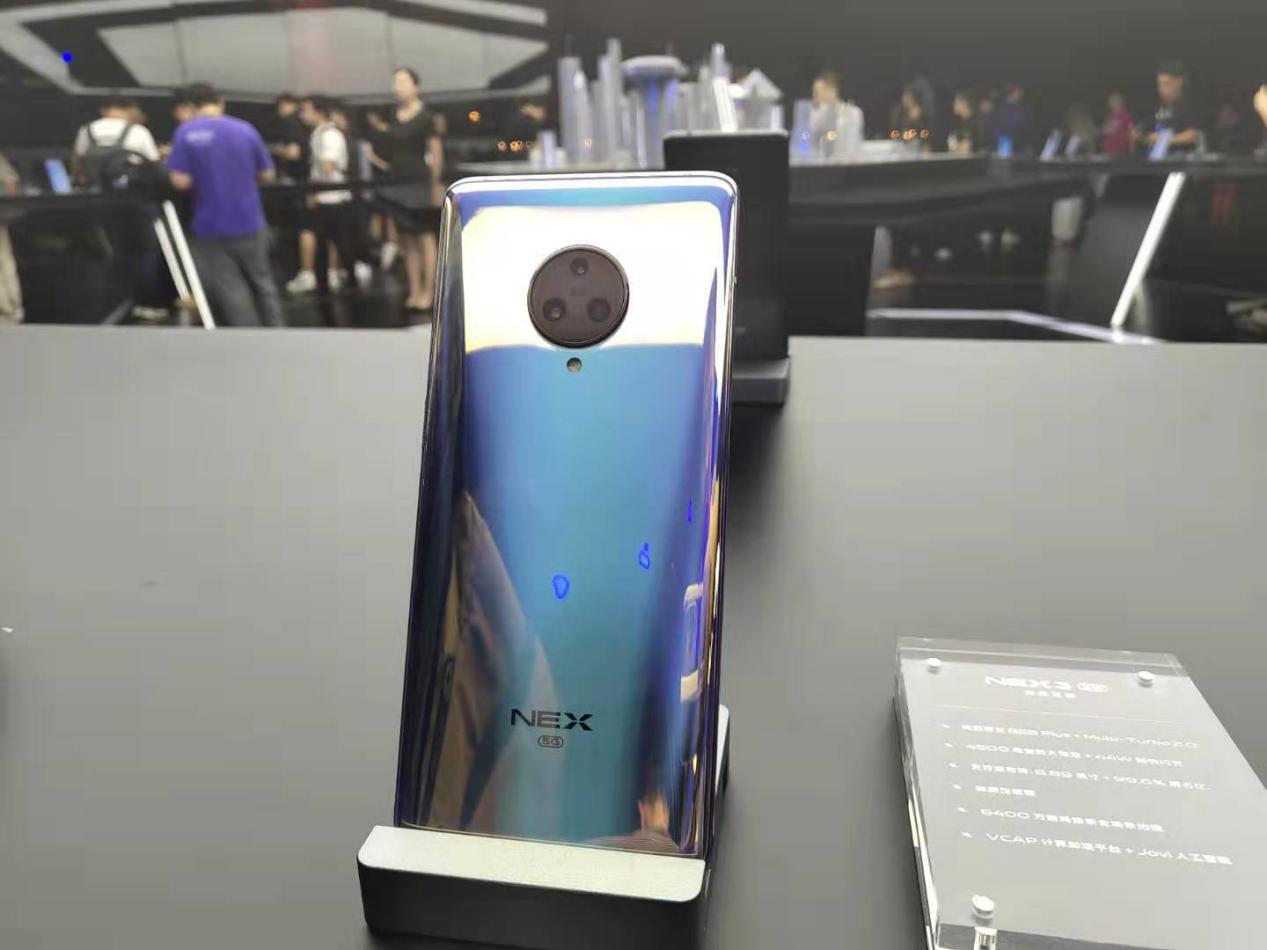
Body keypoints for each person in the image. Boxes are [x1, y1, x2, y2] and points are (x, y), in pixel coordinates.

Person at [167, 82, 283, 328]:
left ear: (190, 106)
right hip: (250, 220)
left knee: (231, 287)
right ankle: (278, 332)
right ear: (220, 102)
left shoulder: (186, 133)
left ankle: (248, 339)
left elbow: (180, 181)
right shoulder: (246, 130)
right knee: (263, 282)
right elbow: (268, 174)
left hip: (210, 224)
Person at [73, 96, 167, 319]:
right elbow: (153, 165)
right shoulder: (138, 132)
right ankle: (146, 302)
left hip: (101, 202)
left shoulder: (87, 131)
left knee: (113, 250)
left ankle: (112, 299)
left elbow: (78, 165)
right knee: (146, 250)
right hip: (136, 200)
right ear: (130, 109)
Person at [374, 67, 444, 315]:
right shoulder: (393, 115)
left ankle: (430, 290)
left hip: (419, 181)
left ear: (416, 86)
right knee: (407, 238)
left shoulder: (426, 117)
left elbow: (435, 153)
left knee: (425, 236)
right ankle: (414, 289)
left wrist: (436, 184)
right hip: (397, 181)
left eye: (403, 81)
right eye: (395, 82)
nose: (398, 87)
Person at [301, 95, 370, 293]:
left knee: (341, 242)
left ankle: (351, 281)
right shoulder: (317, 133)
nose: (303, 115)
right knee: (323, 242)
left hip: (336, 197)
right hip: (322, 195)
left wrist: (315, 180)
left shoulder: (331, 135)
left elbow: (328, 165)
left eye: (306, 110)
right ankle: (324, 281)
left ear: (319, 111)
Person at [1147, 61, 1202, 153]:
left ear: (1179, 82)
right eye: (1160, 85)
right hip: (1159, 157)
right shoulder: (1160, 107)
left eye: (1167, 84)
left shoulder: (1188, 105)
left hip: (1180, 159)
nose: (1162, 89)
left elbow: (1192, 135)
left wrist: (1162, 139)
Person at [809, 71, 864, 157]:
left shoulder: (852, 113)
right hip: (821, 162)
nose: (814, 97)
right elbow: (812, 143)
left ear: (831, 90)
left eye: (817, 92)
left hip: (847, 161)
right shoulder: (815, 115)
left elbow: (849, 144)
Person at [991, 83, 1033, 154]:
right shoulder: (1025, 111)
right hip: (1020, 152)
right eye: (1020, 91)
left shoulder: (996, 111)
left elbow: (994, 133)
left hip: (1000, 152)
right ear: (1017, 92)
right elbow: (1029, 133)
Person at [1101, 91, 1135, 156]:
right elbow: (1104, 133)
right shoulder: (1109, 116)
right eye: (1111, 101)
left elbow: (1131, 135)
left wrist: (1131, 152)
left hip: (1120, 152)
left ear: (1121, 102)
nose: (1112, 103)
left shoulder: (1127, 117)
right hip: (1107, 151)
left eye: (1115, 100)